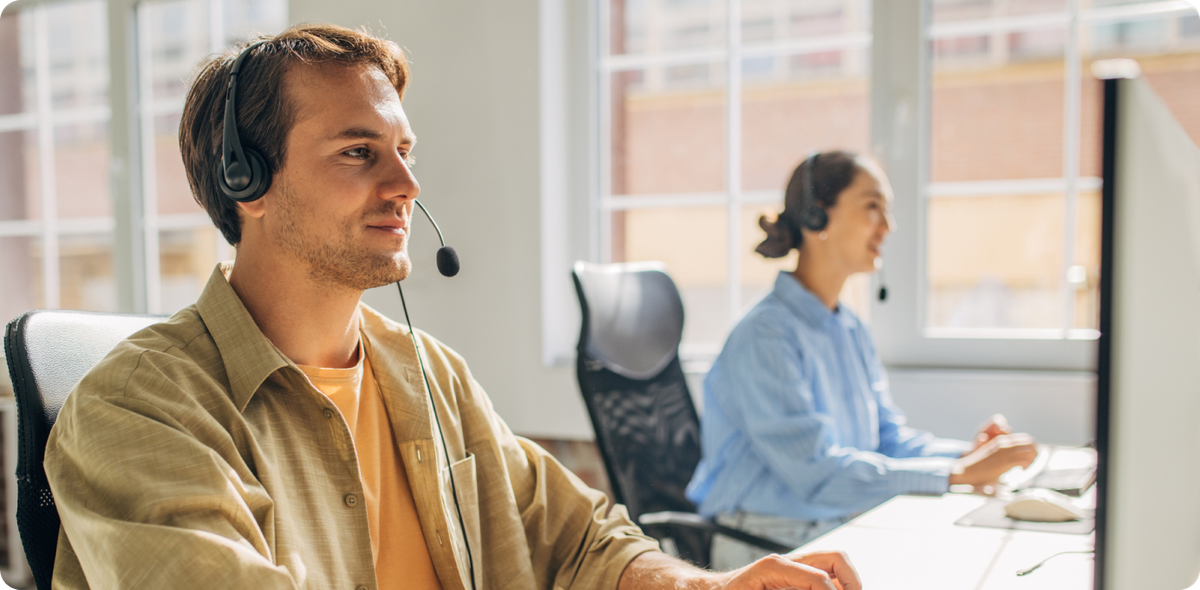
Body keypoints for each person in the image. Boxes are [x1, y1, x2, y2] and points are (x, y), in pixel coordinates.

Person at [42, 25, 861, 590]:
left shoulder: (428, 374)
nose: (406, 186)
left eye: (403, 151)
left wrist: (696, 582)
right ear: (245, 181)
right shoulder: (136, 411)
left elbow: (577, 538)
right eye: (359, 153)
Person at [685, 150, 1039, 570]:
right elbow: (817, 473)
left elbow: (885, 438)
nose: (887, 227)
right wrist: (955, 475)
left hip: (828, 524)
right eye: (873, 207)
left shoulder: (848, 327)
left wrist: (965, 457)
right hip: (767, 543)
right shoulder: (765, 337)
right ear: (818, 217)